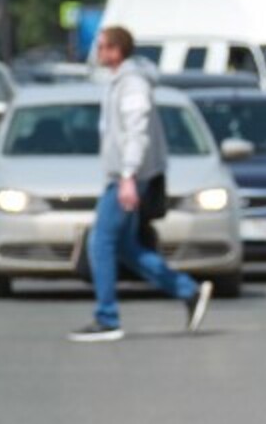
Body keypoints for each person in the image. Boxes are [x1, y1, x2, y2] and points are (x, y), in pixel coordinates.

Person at [68, 25, 212, 342]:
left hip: (127, 177)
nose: (97, 51)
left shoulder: (132, 84)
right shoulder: (119, 81)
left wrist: (128, 177)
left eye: (102, 46)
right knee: (125, 246)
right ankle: (188, 291)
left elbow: (137, 132)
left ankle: (107, 318)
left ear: (116, 51)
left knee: (100, 242)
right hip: (123, 176)